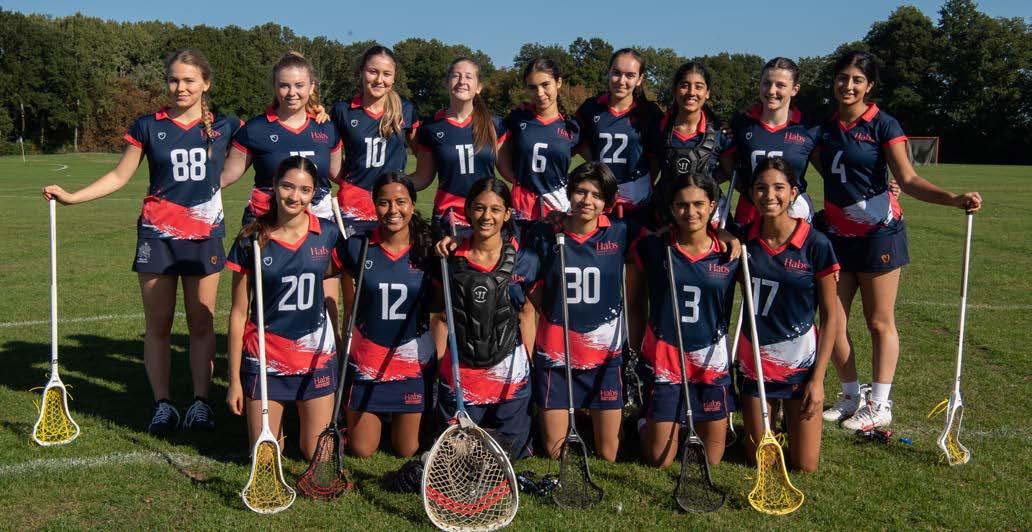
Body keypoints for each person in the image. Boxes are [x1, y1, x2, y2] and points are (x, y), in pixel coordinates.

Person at [42, 49, 238, 435]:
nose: (180, 87)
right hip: (157, 235)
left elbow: (269, 135)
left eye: (189, 80)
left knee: (202, 323)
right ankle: (162, 405)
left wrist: (313, 111)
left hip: (204, 236)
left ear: (206, 83)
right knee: (158, 324)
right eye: (174, 80)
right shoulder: (148, 125)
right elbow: (120, 176)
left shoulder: (226, 125)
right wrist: (73, 197)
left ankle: (200, 403)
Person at [815, 50, 982, 430]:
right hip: (836, 237)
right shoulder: (823, 128)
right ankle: (851, 395)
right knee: (833, 321)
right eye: (842, 77)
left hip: (879, 235)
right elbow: (823, 168)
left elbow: (908, 179)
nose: (848, 85)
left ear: (869, 86)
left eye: (857, 80)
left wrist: (953, 199)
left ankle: (880, 403)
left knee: (879, 321)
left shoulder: (883, 124)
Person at [225, 156, 341, 461]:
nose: (294, 196)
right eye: (288, 186)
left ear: (314, 192)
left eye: (304, 190)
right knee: (265, 458)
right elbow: (239, 313)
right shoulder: (252, 238)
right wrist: (234, 379)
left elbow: (334, 287)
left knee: (318, 455)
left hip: (313, 353)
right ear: (274, 186)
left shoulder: (328, 233)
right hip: (267, 356)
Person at [528, 162, 643, 462]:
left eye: (596, 195)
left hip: (603, 356)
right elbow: (526, 278)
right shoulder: (545, 232)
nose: (587, 200)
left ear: (607, 202)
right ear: (569, 193)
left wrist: (724, 236)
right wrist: (549, 310)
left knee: (609, 453)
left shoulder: (620, 232)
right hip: (557, 353)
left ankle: (631, 423)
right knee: (555, 452)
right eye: (580, 191)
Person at [737, 156, 843, 472]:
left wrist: (818, 379)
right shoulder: (742, 241)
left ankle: (788, 422)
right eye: (761, 188)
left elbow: (831, 316)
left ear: (794, 192)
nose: (769, 195)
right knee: (762, 462)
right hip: (756, 363)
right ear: (751, 193)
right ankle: (771, 423)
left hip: (801, 365)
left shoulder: (816, 244)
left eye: (779, 188)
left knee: (805, 464)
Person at [634, 172, 737, 467]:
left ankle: (678, 421)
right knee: (660, 459)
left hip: (709, 360)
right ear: (672, 208)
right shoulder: (654, 247)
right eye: (682, 205)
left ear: (712, 206)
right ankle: (645, 420)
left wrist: (727, 235)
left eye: (698, 204)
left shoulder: (728, 253)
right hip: (666, 357)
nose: (690, 212)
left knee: (710, 460)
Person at [435, 178, 541, 459]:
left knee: (510, 453)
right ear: (468, 210)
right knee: (456, 455)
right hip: (463, 370)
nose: (486, 216)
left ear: (507, 214)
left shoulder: (526, 259)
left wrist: (531, 365)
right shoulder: (448, 256)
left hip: (509, 371)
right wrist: (439, 367)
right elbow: (440, 316)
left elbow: (528, 314)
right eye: (479, 208)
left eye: (495, 209)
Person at [333, 173, 437, 458]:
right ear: (374, 205)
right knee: (362, 449)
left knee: (407, 449)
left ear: (412, 204)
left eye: (401, 202)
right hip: (368, 361)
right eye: (384, 202)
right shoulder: (359, 246)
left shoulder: (428, 248)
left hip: (411, 363)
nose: (393, 210)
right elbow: (316, 266)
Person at [219, 52, 341, 223]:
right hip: (266, 223)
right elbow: (225, 177)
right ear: (274, 86)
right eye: (284, 86)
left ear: (311, 87)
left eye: (299, 85)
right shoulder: (254, 129)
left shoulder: (326, 128)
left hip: (318, 224)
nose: (292, 92)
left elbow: (340, 175)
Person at [410, 58, 508, 237]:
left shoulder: (495, 124)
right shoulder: (431, 127)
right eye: (456, 76)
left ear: (479, 87)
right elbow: (423, 177)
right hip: (448, 218)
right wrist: (389, 183)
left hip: (486, 217)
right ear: (446, 83)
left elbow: (509, 172)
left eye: (469, 77)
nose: (462, 81)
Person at [331, 45, 420, 235]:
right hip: (353, 205)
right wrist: (353, 186)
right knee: (353, 253)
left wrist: (402, 185)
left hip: (393, 206)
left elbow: (424, 156)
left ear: (394, 77)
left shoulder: (405, 109)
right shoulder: (342, 110)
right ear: (361, 72)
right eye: (373, 72)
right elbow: (334, 167)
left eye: (386, 74)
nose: (379, 80)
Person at [720, 57, 818, 227]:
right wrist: (747, 191)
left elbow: (829, 173)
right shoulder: (741, 123)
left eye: (780, 85)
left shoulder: (808, 128)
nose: (772, 91)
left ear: (795, 89)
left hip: (793, 217)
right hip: (749, 216)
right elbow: (727, 164)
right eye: (766, 83)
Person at [575, 49, 662, 219]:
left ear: (640, 79)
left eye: (630, 75)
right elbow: (573, 141)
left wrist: (643, 182)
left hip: (637, 197)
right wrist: (597, 165)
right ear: (608, 73)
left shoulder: (650, 112)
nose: (621, 81)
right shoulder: (591, 107)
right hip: (599, 194)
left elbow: (656, 157)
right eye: (616, 73)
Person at [649, 62, 734, 227]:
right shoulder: (659, 130)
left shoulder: (720, 133)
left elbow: (729, 173)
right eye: (684, 85)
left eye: (699, 87)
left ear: (707, 93)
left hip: (706, 220)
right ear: (675, 90)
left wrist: (705, 180)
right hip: (666, 218)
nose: (691, 92)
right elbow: (651, 175)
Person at [498, 58, 580, 221]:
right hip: (522, 205)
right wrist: (517, 181)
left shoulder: (571, 126)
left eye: (545, 85)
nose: (540, 93)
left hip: (559, 205)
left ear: (558, 82)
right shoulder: (517, 119)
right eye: (532, 87)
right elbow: (501, 153)